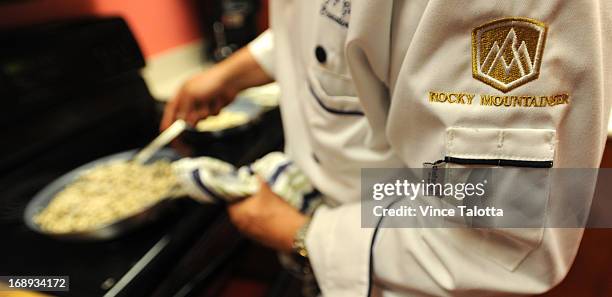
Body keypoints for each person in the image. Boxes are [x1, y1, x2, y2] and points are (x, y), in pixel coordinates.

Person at [161, 1, 612, 296]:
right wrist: (237, 70)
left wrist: (300, 234)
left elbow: (503, 241)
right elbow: (333, 30)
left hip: (402, 275)